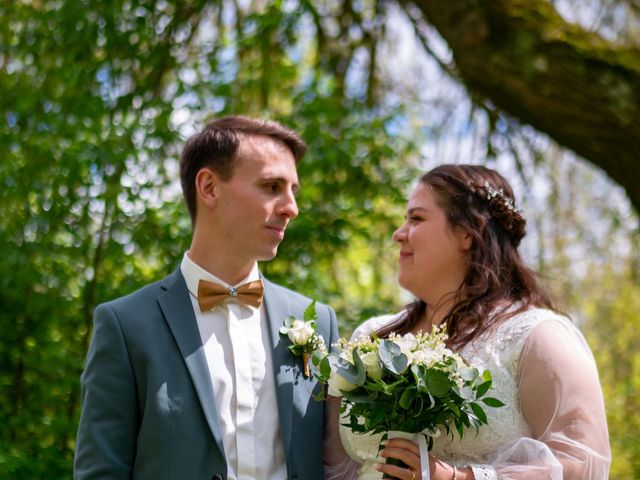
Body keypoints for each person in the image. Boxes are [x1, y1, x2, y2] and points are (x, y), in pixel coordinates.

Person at [74, 115, 339, 480]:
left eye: (293, 190)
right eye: (271, 186)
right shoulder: (125, 326)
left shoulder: (317, 323)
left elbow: (337, 465)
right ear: (209, 187)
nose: (291, 207)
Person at [326, 164, 610, 479]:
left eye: (416, 218)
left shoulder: (535, 336)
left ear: (467, 234)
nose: (398, 234)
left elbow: (582, 463)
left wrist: (462, 478)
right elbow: (332, 464)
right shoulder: (372, 337)